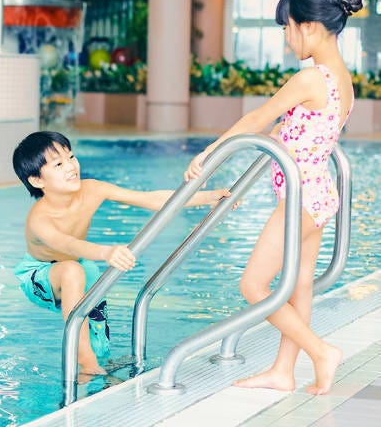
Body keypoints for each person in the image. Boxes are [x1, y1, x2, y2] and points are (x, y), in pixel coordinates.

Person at [184, 0, 362, 395]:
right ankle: (284, 370)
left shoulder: (311, 78)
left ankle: (321, 352)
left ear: (309, 26)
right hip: (318, 194)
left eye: (287, 27)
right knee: (298, 287)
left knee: (253, 285)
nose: (286, 38)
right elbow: (302, 130)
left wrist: (208, 155)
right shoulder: (342, 80)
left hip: (301, 197)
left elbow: (255, 119)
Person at [13, 131, 231, 376]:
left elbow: (150, 199)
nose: (71, 167)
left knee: (94, 316)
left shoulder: (91, 189)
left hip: (79, 263)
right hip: (40, 274)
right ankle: (86, 364)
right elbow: (70, 245)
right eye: (58, 164)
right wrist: (106, 252)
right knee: (73, 271)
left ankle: (99, 366)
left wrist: (208, 197)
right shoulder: (40, 219)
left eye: (71, 157)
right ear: (36, 180)